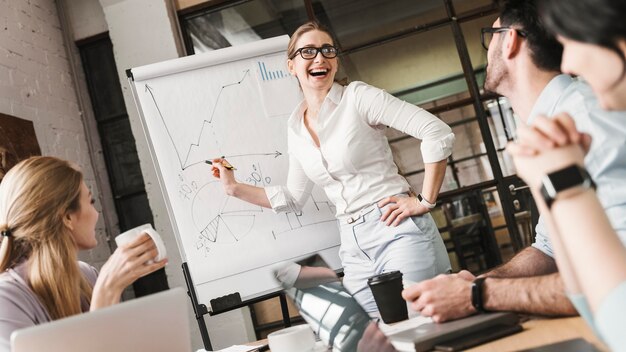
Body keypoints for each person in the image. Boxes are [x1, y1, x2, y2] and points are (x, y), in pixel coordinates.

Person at [402, 0, 626, 323]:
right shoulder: (552, 128)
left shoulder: (586, 120)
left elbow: (611, 280)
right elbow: (549, 250)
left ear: (510, 40)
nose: (571, 62)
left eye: (489, 35)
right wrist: (478, 283)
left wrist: (477, 296)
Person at [212, 21, 454, 313]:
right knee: (365, 339)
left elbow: (436, 132)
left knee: (418, 325)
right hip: (352, 246)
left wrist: (424, 201)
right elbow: (292, 196)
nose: (320, 58)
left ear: (335, 62)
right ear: (291, 67)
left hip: (395, 229)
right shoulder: (295, 127)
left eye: (327, 50)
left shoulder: (359, 97)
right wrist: (233, 187)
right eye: (308, 52)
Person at [505, 0, 626, 349]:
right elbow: (596, 310)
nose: (567, 62)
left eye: (571, 40)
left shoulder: (587, 115)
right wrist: (549, 188)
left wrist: (567, 187)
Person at [0, 156, 167, 350]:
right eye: (91, 201)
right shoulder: (7, 299)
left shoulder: (87, 275)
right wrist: (107, 292)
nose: (96, 214)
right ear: (68, 217)